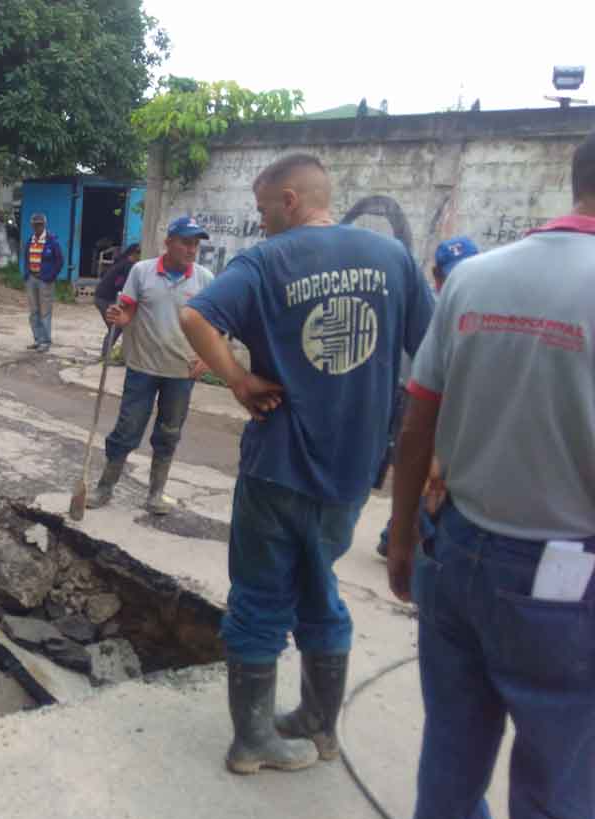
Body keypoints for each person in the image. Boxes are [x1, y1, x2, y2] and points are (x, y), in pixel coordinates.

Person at [178, 154, 435, 774]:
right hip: (350, 473)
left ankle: (254, 740)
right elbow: (433, 360)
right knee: (323, 591)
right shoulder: (394, 260)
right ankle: (319, 727)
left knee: (260, 598)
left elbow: (195, 315)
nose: (262, 221)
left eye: (265, 208)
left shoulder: (265, 262)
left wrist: (237, 379)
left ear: (290, 200)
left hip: (276, 465)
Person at [388, 130, 595, 819]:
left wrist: (404, 533)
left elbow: (418, 424)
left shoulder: (474, 278)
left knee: (450, 772)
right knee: (560, 812)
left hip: (460, 553)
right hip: (567, 579)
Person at [89, 219, 213, 515]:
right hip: (142, 366)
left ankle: (155, 494)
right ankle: (104, 488)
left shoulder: (205, 278)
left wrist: (208, 358)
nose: (192, 249)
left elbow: (215, 323)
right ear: (169, 242)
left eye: (196, 244)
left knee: (169, 432)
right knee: (127, 428)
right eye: (186, 242)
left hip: (181, 371)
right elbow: (129, 311)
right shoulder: (142, 271)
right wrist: (120, 318)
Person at [376, 235, 479, 556]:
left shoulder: (472, 308)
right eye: (449, 276)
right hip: (412, 397)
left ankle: (396, 532)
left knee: (428, 473)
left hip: (442, 401)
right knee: (420, 469)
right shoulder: (431, 306)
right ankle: (399, 534)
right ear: (437, 276)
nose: (454, 282)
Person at [22, 212, 64, 351]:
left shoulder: (52, 241)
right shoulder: (31, 240)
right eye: (35, 225)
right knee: (34, 311)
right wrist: (27, 274)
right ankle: (37, 339)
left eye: (40, 224)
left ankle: (45, 342)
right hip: (32, 279)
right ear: (32, 226)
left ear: (44, 225)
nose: (37, 227)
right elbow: (26, 258)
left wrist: (50, 276)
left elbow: (59, 261)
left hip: (45, 281)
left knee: (45, 311)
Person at [94, 242, 141, 354]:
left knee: (116, 327)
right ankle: (105, 355)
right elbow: (124, 286)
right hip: (104, 298)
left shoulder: (122, 263)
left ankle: (110, 353)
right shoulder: (128, 266)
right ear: (134, 254)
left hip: (103, 297)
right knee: (116, 327)